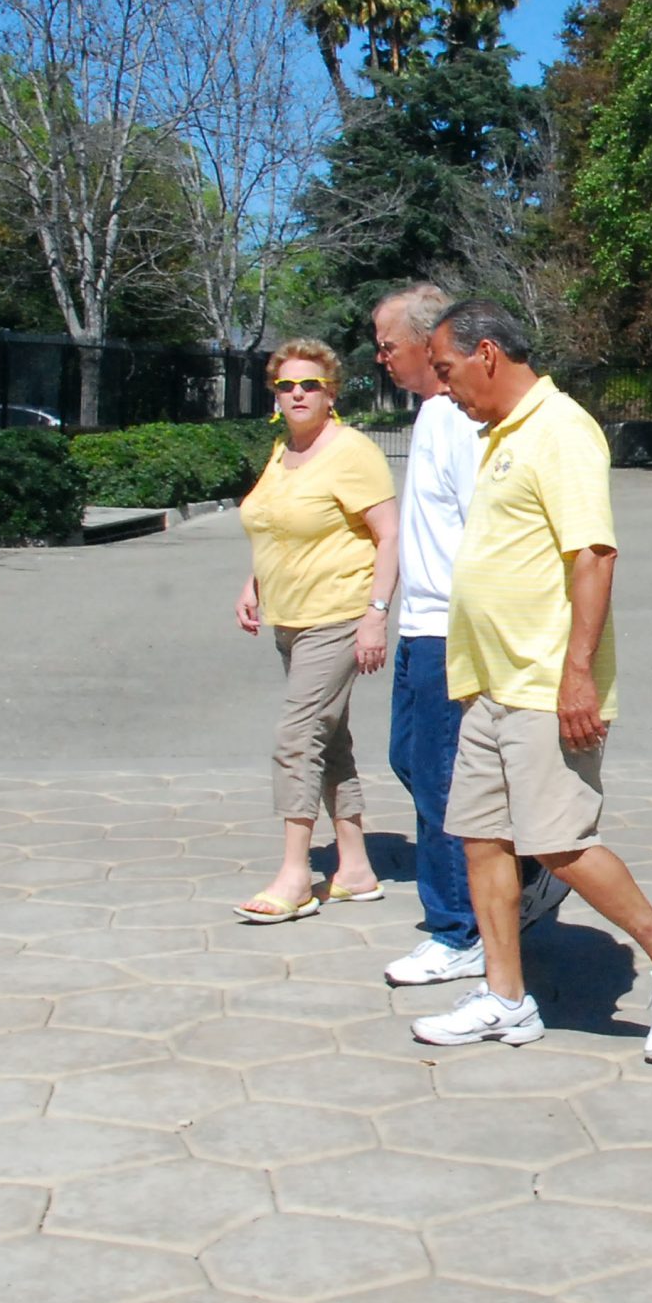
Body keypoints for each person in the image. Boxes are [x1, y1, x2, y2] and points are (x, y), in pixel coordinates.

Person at [414, 299, 652, 1060]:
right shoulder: (501, 436)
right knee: (482, 840)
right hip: (492, 683)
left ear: (488, 354)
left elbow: (594, 554)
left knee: (559, 844)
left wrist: (577, 676)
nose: (445, 389)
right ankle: (505, 998)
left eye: (448, 370)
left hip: (544, 683)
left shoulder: (559, 429)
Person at [370, 283, 568, 986]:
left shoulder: (459, 420)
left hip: (450, 628)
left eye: (389, 344)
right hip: (421, 623)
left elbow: (482, 524)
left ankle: (459, 929)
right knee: (410, 760)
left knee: (443, 783)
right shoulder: (433, 415)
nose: (382, 357)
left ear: (429, 342)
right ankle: (521, 876)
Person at [233, 339, 400, 924]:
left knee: (297, 736)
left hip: (338, 615)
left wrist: (376, 614)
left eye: (310, 385)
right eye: (286, 386)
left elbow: (389, 534)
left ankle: (295, 874)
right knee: (329, 740)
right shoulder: (285, 451)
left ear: (332, 393)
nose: (297, 394)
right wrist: (254, 582)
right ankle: (354, 868)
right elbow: (275, 524)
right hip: (290, 618)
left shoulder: (351, 452)